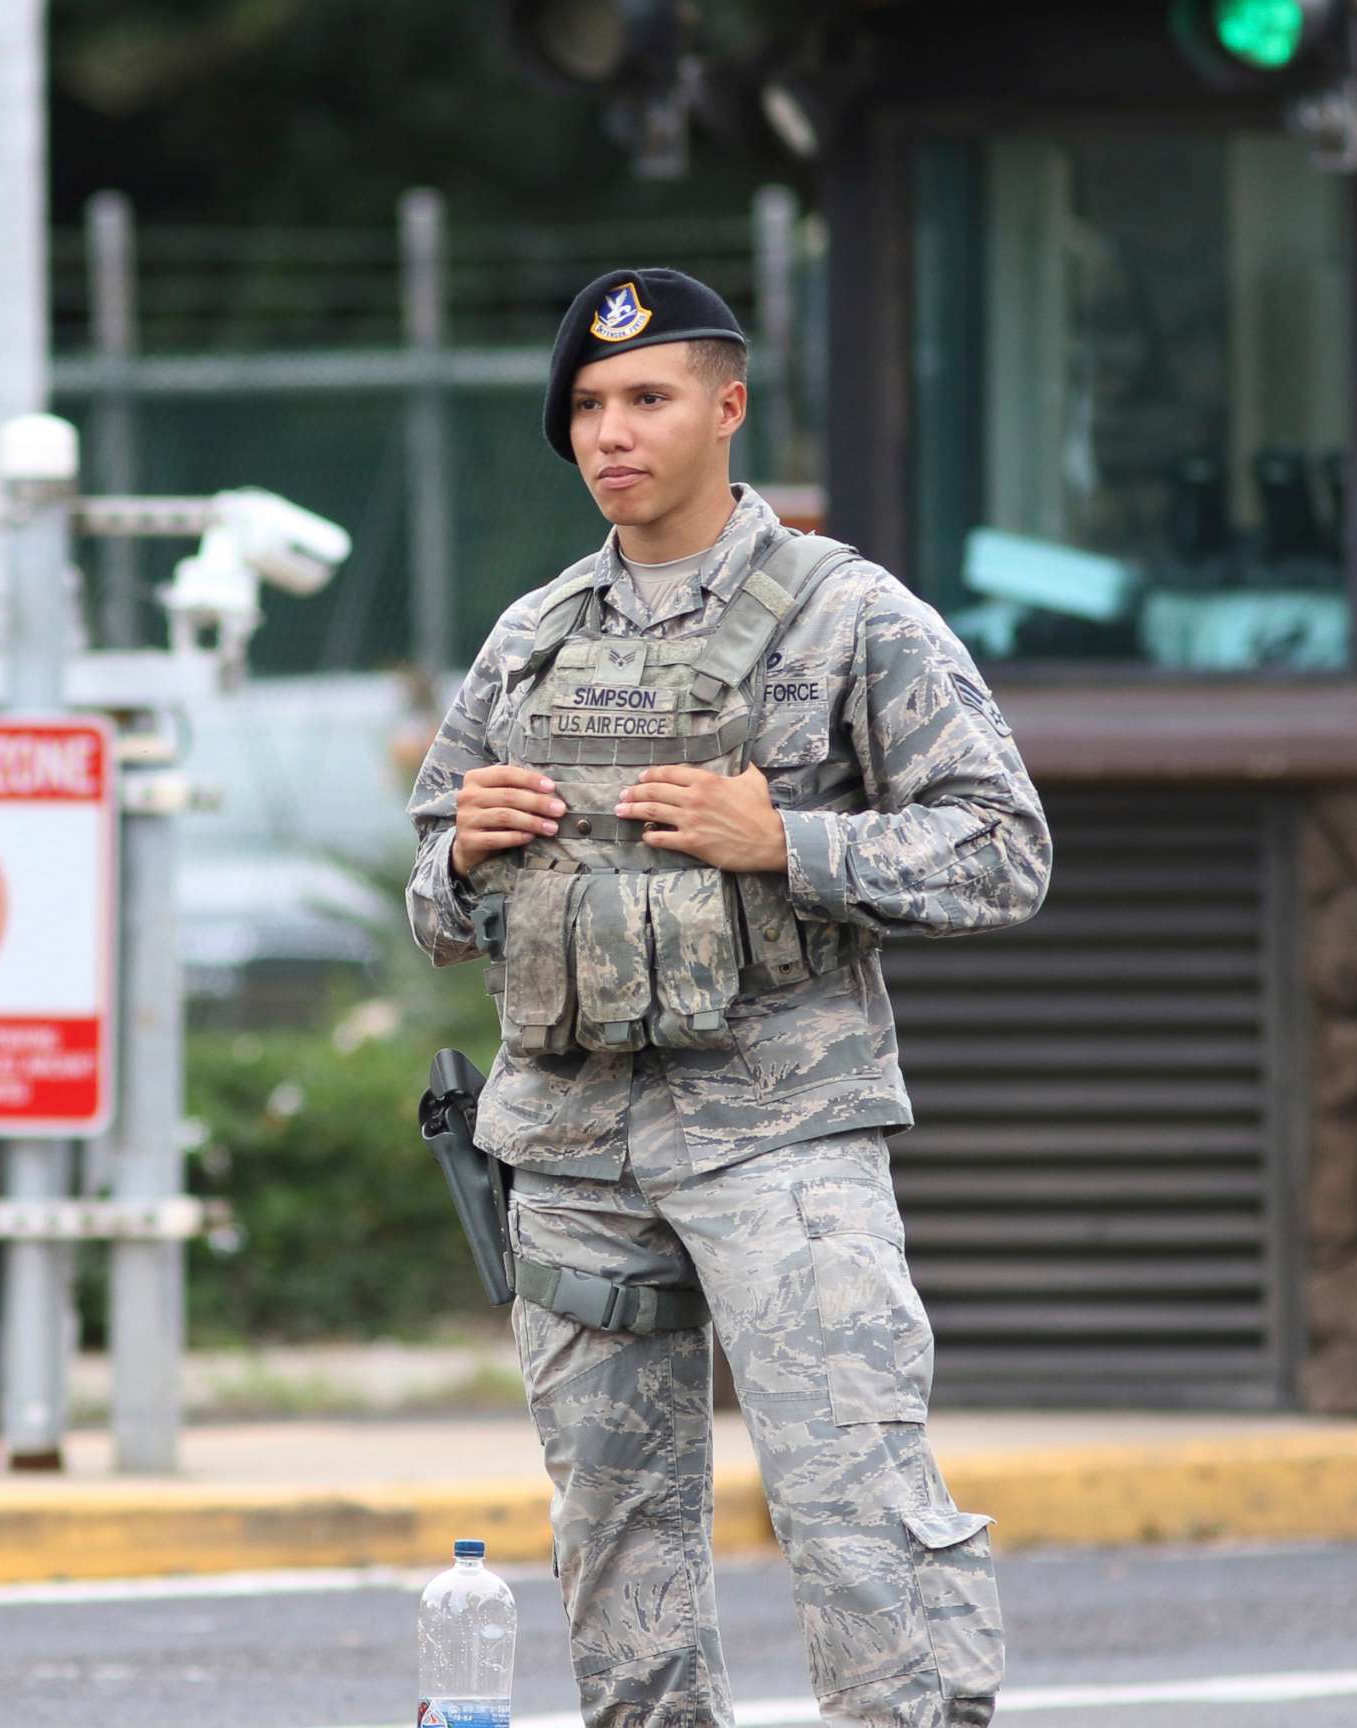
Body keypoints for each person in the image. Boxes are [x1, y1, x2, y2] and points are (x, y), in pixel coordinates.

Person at [403, 267, 1052, 1727]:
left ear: (729, 407)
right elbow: (434, 898)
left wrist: (792, 843)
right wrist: (469, 855)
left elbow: (1005, 852)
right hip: (571, 1152)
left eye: (649, 397)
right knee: (616, 1546)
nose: (612, 431)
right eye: (586, 405)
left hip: (784, 1139)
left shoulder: (848, 615)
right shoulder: (535, 636)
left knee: (857, 1512)